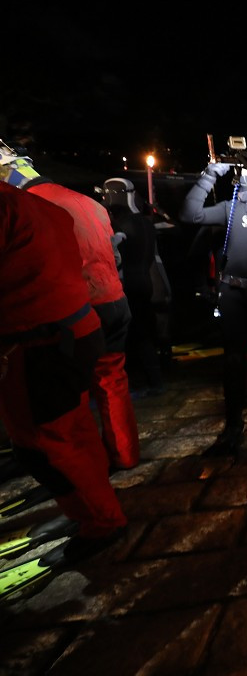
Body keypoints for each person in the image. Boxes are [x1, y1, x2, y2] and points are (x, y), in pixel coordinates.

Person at [0, 171, 127, 558]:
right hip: (81, 323)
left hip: (40, 338)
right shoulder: (45, 205)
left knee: (45, 442)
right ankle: (109, 485)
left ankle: (100, 519)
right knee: (78, 426)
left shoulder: (12, 205)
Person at [4, 148, 140, 470]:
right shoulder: (89, 202)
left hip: (79, 311)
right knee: (113, 381)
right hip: (116, 302)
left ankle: (88, 468)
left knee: (73, 396)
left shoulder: (32, 208)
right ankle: (126, 455)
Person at [179, 150, 247, 456]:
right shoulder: (228, 208)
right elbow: (189, 215)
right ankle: (233, 425)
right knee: (233, 360)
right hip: (234, 294)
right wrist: (211, 173)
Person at [100, 177, 168, 396]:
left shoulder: (123, 224)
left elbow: (114, 254)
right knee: (144, 333)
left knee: (135, 335)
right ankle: (154, 378)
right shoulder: (145, 221)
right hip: (145, 280)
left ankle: (148, 382)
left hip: (129, 283)